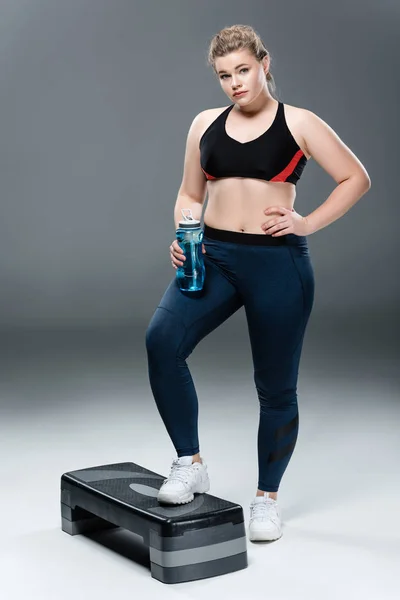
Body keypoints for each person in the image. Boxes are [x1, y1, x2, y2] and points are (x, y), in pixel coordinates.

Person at [145, 24, 371, 542]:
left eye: (243, 70)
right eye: (225, 75)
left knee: (274, 388)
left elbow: (355, 177)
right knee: (162, 341)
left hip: (277, 264)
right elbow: (188, 191)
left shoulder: (301, 123)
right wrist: (184, 232)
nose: (234, 83)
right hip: (215, 257)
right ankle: (190, 462)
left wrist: (306, 223)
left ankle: (266, 499)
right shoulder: (204, 123)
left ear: (264, 64)